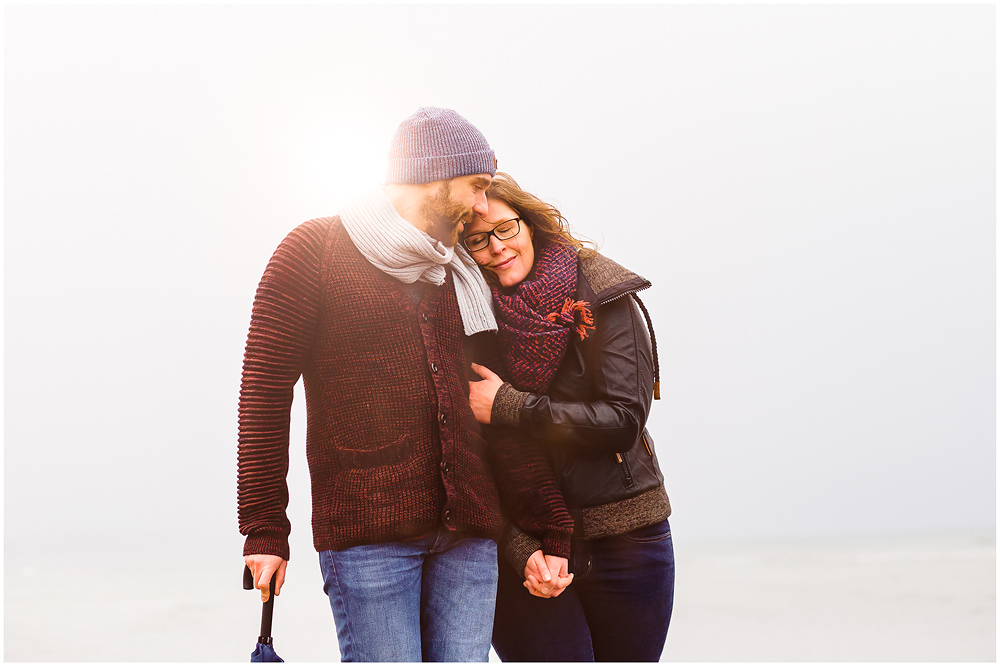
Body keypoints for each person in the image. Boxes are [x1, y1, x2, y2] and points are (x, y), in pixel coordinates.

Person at [236, 109, 573, 662]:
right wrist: (265, 528)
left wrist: (549, 527)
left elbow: (492, 412)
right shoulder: (312, 250)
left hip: (469, 538)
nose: (484, 206)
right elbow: (264, 392)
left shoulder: (460, 272)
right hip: (369, 539)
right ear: (435, 176)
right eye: (478, 186)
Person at [464, 173, 675, 662]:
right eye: (476, 240)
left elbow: (623, 418)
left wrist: (509, 406)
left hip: (627, 541)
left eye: (505, 229)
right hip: (525, 550)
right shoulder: (465, 315)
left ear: (531, 223)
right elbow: (466, 458)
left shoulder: (601, 293)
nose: (495, 248)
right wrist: (519, 550)